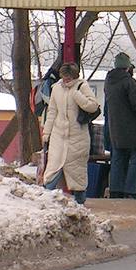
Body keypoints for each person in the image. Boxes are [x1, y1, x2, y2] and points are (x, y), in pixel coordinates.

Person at [42, 62, 100, 204]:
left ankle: (80, 200)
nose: (66, 80)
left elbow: (93, 106)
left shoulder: (82, 86)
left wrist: (77, 96)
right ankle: (46, 197)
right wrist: (46, 133)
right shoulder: (56, 88)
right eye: (64, 77)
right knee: (53, 167)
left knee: (77, 170)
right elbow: (52, 112)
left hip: (78, 135)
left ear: (75, 76)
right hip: (58, 134)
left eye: (69, 77)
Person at [104, 52, 136, 199]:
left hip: (114, 126)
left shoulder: (108, 81)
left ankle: (115, 189)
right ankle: (130, 190)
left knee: (117, 157)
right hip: (131, 126)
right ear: (127, 67)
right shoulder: (129, 82)